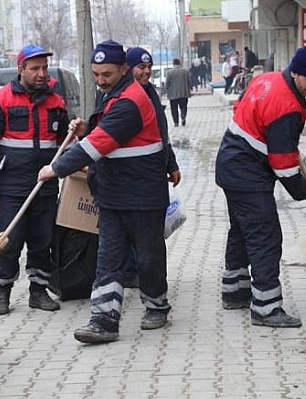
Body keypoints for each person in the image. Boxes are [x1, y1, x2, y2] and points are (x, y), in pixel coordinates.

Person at [38, 40, 171, 344]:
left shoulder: (130, 101)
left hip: (142, 194)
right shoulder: (112, 95)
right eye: (96, 74)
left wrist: (55, 169)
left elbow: (99, 144)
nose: (100, 80)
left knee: (148, 257)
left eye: (106, 74)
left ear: (123, 69)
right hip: (112, 193)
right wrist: (86, 128)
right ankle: (104, 320)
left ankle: (157, 304)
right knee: (108, 258)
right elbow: (103, 135)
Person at [214, 45, 306, 329]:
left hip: (230, 163)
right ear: (297, 72)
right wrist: (305, 193)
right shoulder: (287, 105)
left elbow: (243, 110)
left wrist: (286, 146)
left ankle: (235, 291)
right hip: (246, 172)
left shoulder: (268, 78)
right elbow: (284, 166)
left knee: (241, 229)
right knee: (265, 236)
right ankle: (266, 307)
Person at [0, 44, 68, 316]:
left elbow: (64, 142)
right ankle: (2, 289)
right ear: (21, 69)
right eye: (35, 68)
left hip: (46, 184)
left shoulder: (55, 101)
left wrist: (77, 131)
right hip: (11, 185)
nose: (41, 74)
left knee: (43, 239)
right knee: (10, 241)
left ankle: (38, 291)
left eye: (44, 68)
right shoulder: (1, 100)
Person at [123, 46, 181, 289]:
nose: (146, 72)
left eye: (149, 67)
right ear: (127, 68)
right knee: (127, 231)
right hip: (127, 177)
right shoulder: (121, 95)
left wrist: (171, 164)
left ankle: (150, 281)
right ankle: (130, 272)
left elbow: (161, 134)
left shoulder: (150, 93)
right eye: (141, 67)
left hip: (153, 175)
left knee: (151, 235)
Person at [165, 58, 191, 128]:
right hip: (184, 93)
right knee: (183, 107)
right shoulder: (185, 71)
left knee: (174, 109)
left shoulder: (169, 72)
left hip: (173, 94)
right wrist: (189, 89)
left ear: (173, 63)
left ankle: (176, 122)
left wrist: (167, 90)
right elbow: (189, 81)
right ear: (180, 63)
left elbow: (167, 83)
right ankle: (183, 116)